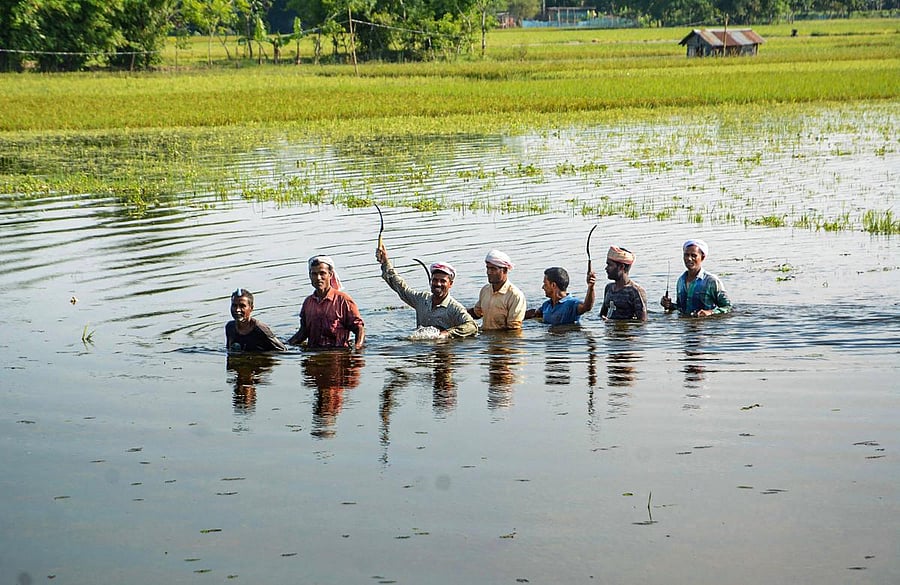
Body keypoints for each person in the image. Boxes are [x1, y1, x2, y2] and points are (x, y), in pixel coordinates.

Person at [375, 242, 477, 338]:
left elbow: (472, 327)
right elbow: (401, 288)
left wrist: (447, 334)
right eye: (435, 280)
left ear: (450, 284)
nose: (438, 284)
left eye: (443, 281)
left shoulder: (454, 308)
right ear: (431, 281)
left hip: (444, 352)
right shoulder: (422, 299)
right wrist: (385, 263)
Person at [288, 256, 365, 350]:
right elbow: (303, 332)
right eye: (314, 274)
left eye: (322, 273)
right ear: (310, 276)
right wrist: (285, 345)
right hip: (314, 353)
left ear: (330, 275)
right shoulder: (308, 303)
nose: (318, 278)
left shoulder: (343, 300)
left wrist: (358, 349)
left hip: (338, 354)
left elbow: (359, 328)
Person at [660, 239, 732, 317]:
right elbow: (681, 308)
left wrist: (710, 312)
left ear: (702, 257)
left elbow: (728, 308)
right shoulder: (681, 281)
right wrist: (669, 305)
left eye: (694, 255)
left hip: (706, 326)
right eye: (686, 255)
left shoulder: (711, 281)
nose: (689, 259)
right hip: (685, 327)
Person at [468, 249, 527, 330]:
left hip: (503, 341)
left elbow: (514, 329)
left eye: (493, 269)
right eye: (487, 268)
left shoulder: (515, 296)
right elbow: (476, 313)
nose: (488, 272)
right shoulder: (485, 290)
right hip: (486, 338)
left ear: (505, 270)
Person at [524, 266, 596, 325]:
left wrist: (591, 287)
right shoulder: (546, 305)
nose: (543, 287)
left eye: (545, 284)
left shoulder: (572, 304)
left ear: (553, 285)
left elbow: (587, 307)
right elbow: (534, 313)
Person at [600, 246, 648, 321]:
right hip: (610, 331)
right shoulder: (609, 288)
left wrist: (614, 323)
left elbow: (642, 323)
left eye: (610, 265)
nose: (606, 268)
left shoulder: (635, 291)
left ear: (621, 267)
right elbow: (602, 314)